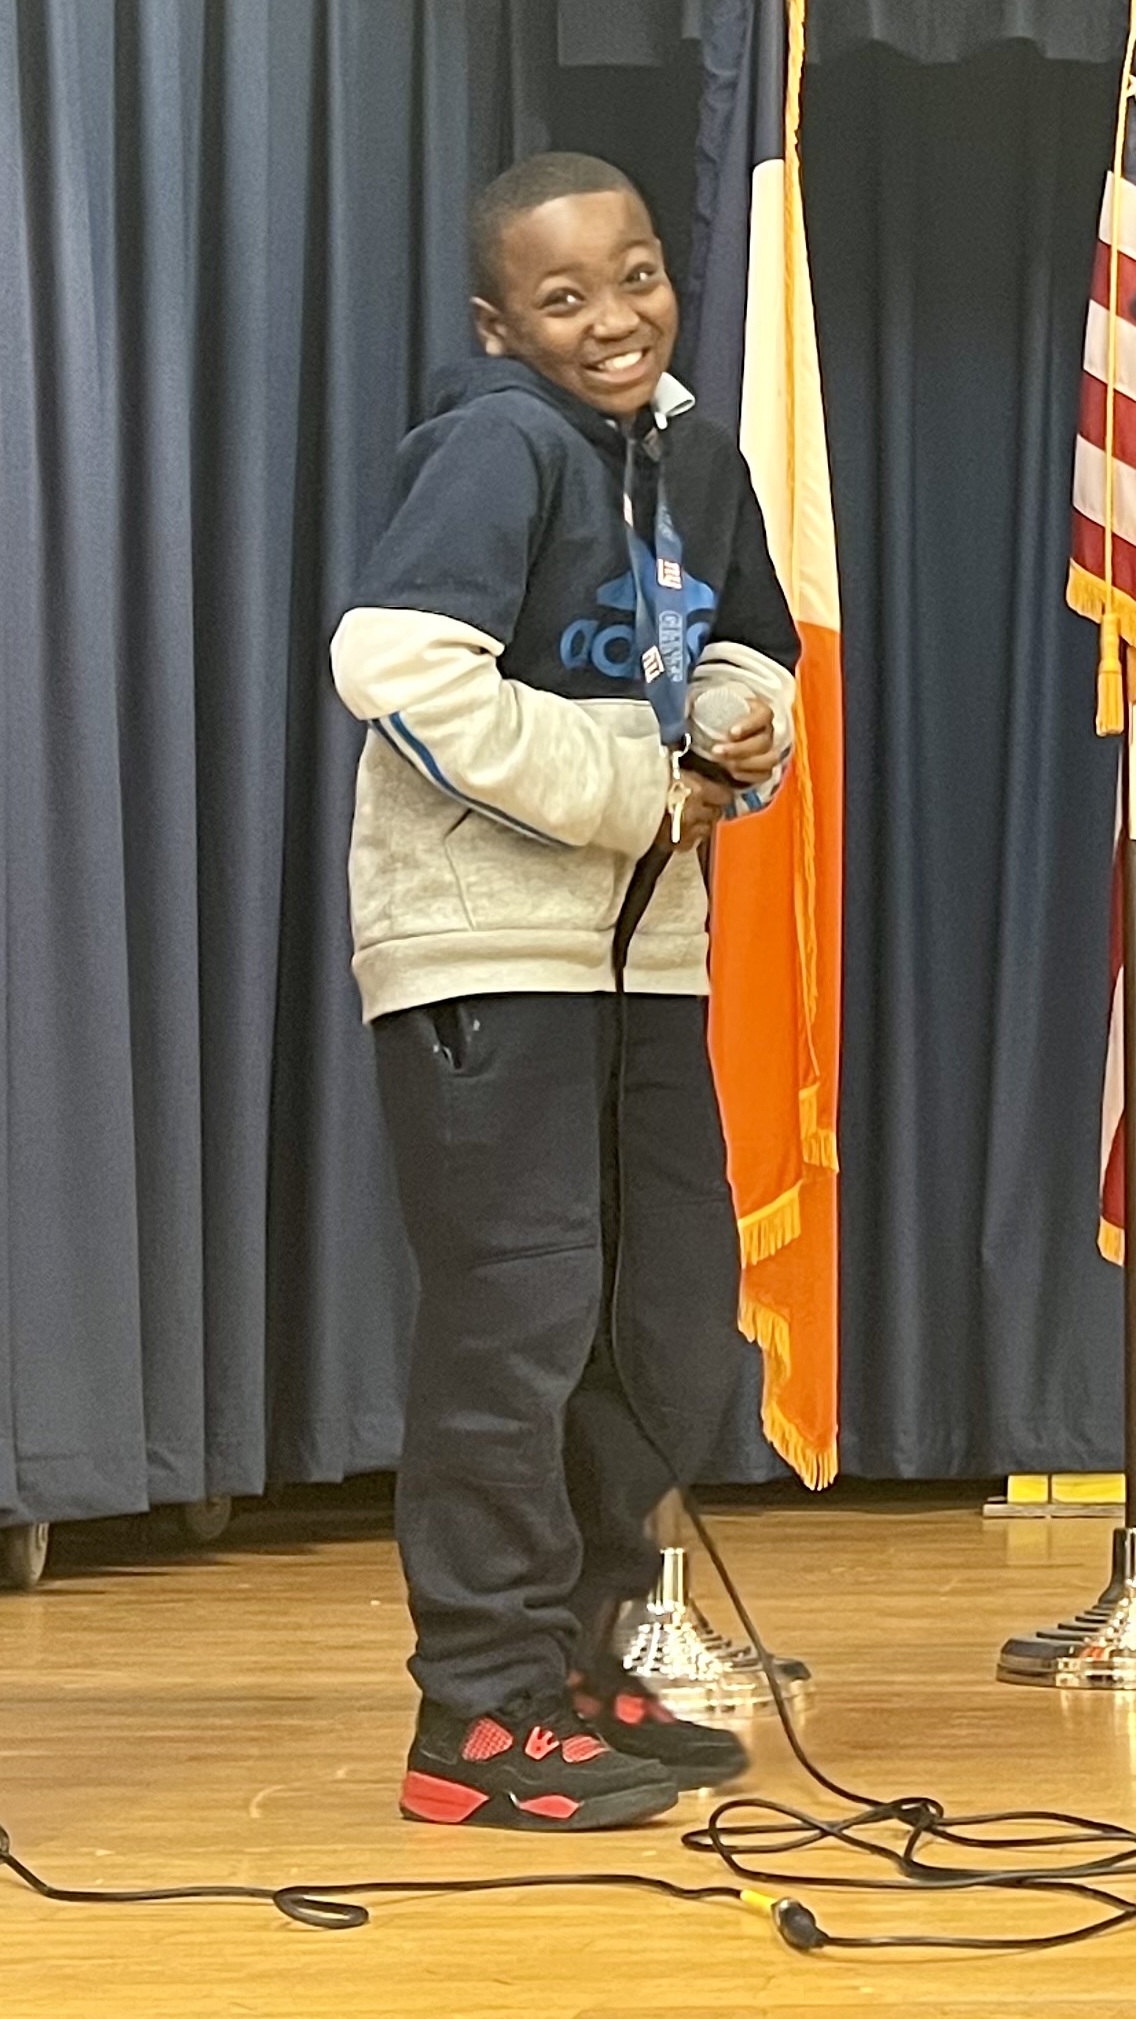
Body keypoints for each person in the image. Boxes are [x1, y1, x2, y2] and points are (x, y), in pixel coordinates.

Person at [331, 153, 801, 1831]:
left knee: (662, 1325)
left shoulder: (690, 453)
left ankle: (581, 1656)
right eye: (562, 297)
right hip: (485, 960)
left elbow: (752, 646)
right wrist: (634, 784)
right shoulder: (496, 445)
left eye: (637, 275)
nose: (612, 317)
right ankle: (478, 1710)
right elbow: (390, 668)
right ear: (497, 324)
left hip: (644, 959)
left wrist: (742, 728)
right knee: (515, 1331)